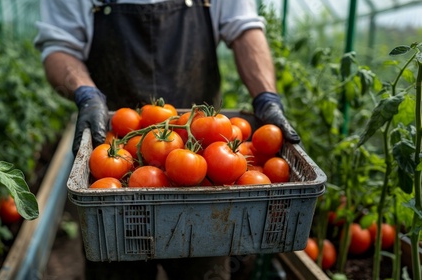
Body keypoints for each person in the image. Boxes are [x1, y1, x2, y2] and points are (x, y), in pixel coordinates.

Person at [34, 0, 300, 279]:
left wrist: (266, 97)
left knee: (203, 267)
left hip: (204, 194)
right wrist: (86, 94)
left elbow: (244, 27)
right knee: (115, 267)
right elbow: (59, 45)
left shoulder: (211, 141)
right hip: (117, 170)